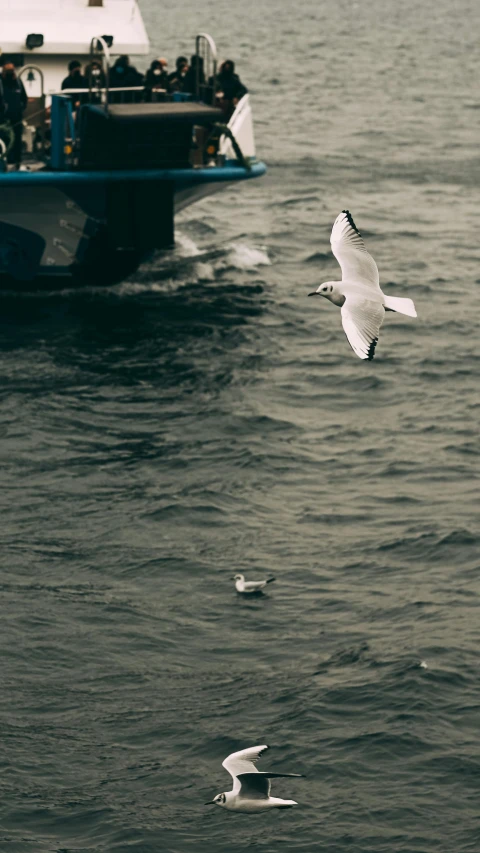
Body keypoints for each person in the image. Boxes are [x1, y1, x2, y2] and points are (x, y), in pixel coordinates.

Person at [1, 63, 27, 168]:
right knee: (4, 141)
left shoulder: (18, 82)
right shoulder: (0, 82)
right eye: (8, 71)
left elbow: (24, 98)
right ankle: (3, 161)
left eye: (12, 71)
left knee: (17, 140)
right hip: (3, 120)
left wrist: (20, 109)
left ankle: (17, 161)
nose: (11, 73)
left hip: (17, 118)